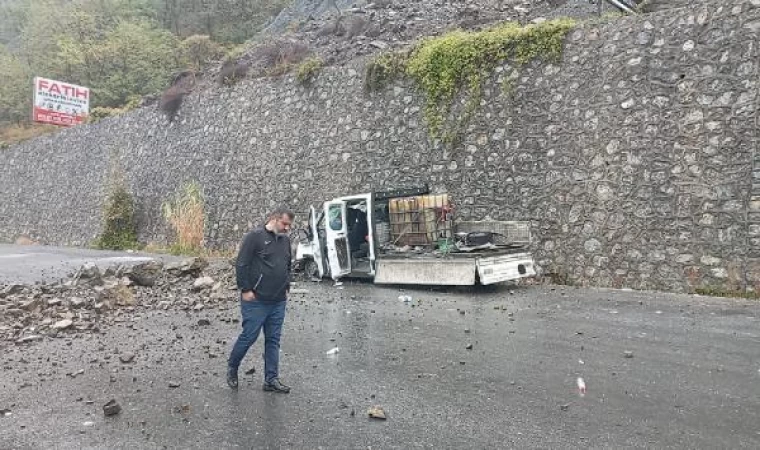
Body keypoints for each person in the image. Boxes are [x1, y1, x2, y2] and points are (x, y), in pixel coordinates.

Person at [227, 207, 294, 392]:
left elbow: (288, 265)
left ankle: (271, 380)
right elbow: (242, 264)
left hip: (278, 300)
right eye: (284, 224)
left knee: (273, 340)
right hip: (256, 300)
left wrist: (287, 286)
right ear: (274, 218)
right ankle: (232, 367)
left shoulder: (285, 241)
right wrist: (246, 289)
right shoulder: (254, 237)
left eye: (289, 225)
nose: (287, 228)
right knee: (249, 336)